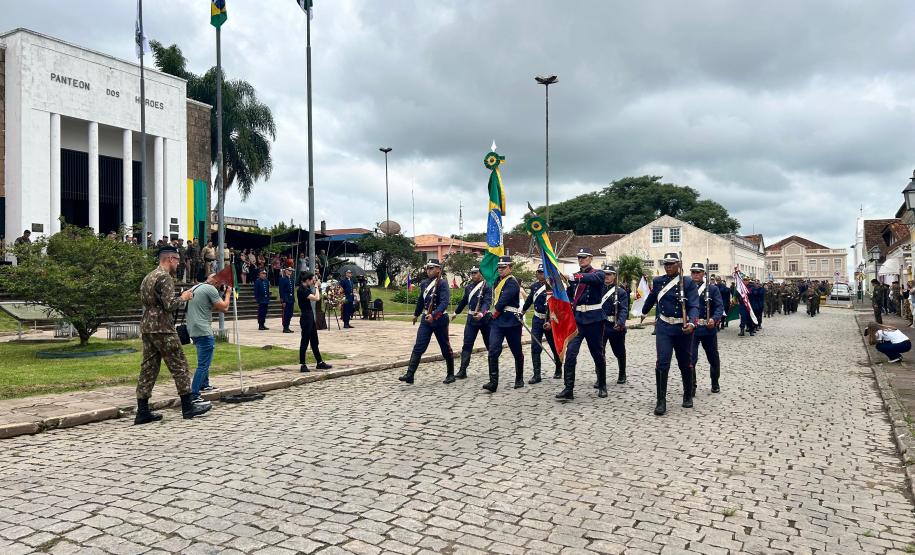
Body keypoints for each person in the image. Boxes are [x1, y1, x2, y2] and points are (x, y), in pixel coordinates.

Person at [134, 246, 210, 424]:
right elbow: (170, 304)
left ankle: (143, 410)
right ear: (169, 259)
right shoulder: (165, 277)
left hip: (147, 326)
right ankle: (188, 407)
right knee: (179, 365)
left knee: (148, 368)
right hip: (163, 327)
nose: (178, 263)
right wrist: (184, 297)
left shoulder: (149, 276)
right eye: (177, 260)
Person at [639, 252, 700, 415]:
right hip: (664, 326)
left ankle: (687, 395)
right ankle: (661, 401)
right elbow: (652, 298)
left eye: (671, 264)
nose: (668, 267)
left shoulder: (687, 283)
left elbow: (694, 305)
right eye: (666, 264)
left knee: (684, 362)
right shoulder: (658, 281)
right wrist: (643, 312)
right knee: (662, 362)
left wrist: (692, 323)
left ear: (679, 264)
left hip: (682, 328)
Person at [556, 248, 606, 400]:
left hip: (594, 320)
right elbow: (570, 296)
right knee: (570, 354)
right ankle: (568, 388)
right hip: (577, 320)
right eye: (579, 257)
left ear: (591, 258)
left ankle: (602, 385)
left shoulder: (598, 274)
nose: (581, 260)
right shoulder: (575, 279)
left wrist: (571, 276)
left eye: (584, 257)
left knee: (597, 353)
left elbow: (590, 279)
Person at [399, 260, 453, 384]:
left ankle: (450, 374)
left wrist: (434, 315)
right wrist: (416, 314)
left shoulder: (443, 283)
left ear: (438, 269)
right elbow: (421, 301)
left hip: (439, 319)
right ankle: (410, 374)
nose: (428, 271)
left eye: (431, 268)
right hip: (425, 319)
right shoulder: (424, 283)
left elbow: (444, 302)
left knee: (445, 347)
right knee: (419, 346)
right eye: (427, 268)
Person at [187, 270, 232, 403]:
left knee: (203, 358)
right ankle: (194, 394)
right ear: (215, 281)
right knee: (203, 364)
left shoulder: (196, 287)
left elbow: (209, 306)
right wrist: (228, 294)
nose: (220, 286)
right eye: (219, 283)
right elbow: (224, 308)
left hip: (193, 329)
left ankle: (204, 384)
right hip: (203, 330)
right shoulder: (210, 289)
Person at [484, 256, 524, 392]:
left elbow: (503, 300)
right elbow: (495, 300)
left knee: (516, 351)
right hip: (498, 323)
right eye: (499, 267)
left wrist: (493, 313)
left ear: (510, 268)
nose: (500, 270)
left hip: (511, 322)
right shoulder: (496, 281)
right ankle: (493, 382)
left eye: (503, 267)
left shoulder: (513, 282)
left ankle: (519, 378)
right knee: (493, 350)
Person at [522, 265, 561, 384]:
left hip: (550, 321)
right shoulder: (534, 287)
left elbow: (558, 306)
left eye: (543, 272)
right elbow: (529, 300)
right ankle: (537, 374)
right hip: (537, 320)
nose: (541, 274)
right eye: (539, 272)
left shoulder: (553, 287)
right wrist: (522, 311)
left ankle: (558, 368)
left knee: (553, 345)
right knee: (535, 346)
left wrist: (551, 321)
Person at [689, 263, 724, 394]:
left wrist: (714, 319)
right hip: (693, 329)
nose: (696, 275)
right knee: (691, 358)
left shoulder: (712, 289)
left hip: (708, 329)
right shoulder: (686, 288)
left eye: (698, 272)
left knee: (713, 357)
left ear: (703, 273)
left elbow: (719, 307)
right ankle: (691, 386)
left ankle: (715, 382)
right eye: (693, 272)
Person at [453, 266, 492, 380]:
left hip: (484, 319)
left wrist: (481, 313)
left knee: (489, 344)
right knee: (467, 343)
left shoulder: (487, 286)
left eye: (475, 273)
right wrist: (456, 312)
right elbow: (464, 301)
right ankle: (463, 370)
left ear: (481, 273)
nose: (473, 275)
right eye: (472, 273)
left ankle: (492, 368)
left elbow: (487, 302)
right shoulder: (469, 287)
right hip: (471, 319)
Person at [297, 272, 333, 372]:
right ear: (307, 280)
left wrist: (316, 286)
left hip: (310, 316)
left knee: (314, 341)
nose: (313, 281)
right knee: (304, 341)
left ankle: (319, 362)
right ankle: (303, 364)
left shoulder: (306, 288)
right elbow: (316, 298)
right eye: (312, 280)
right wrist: (317, 287)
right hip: (305, 317)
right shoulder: (301, 290)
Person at [600, 264, 628, 387]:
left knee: (619, 351)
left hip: (614, 325)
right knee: (599, 352)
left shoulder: (620, 292)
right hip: (600, 325)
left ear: (614, 276)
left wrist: (620, 322)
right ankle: (600, 377)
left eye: (609, 274)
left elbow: (623, 309)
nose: (606, 276)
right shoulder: (598, 289)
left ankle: (622, 373)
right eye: (604, 274)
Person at [278, 267, 295, 333]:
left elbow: (292, 290)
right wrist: (283, 300)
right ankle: (285, 327)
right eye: (289, 270)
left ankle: (287, 326)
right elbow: (281, 290)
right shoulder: (283, 279)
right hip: (286, 299)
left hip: (291, 299)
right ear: (285, 271)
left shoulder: (292, 279)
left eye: (291, 270)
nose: (290, 271)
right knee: (286, 313)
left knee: (290, 313)